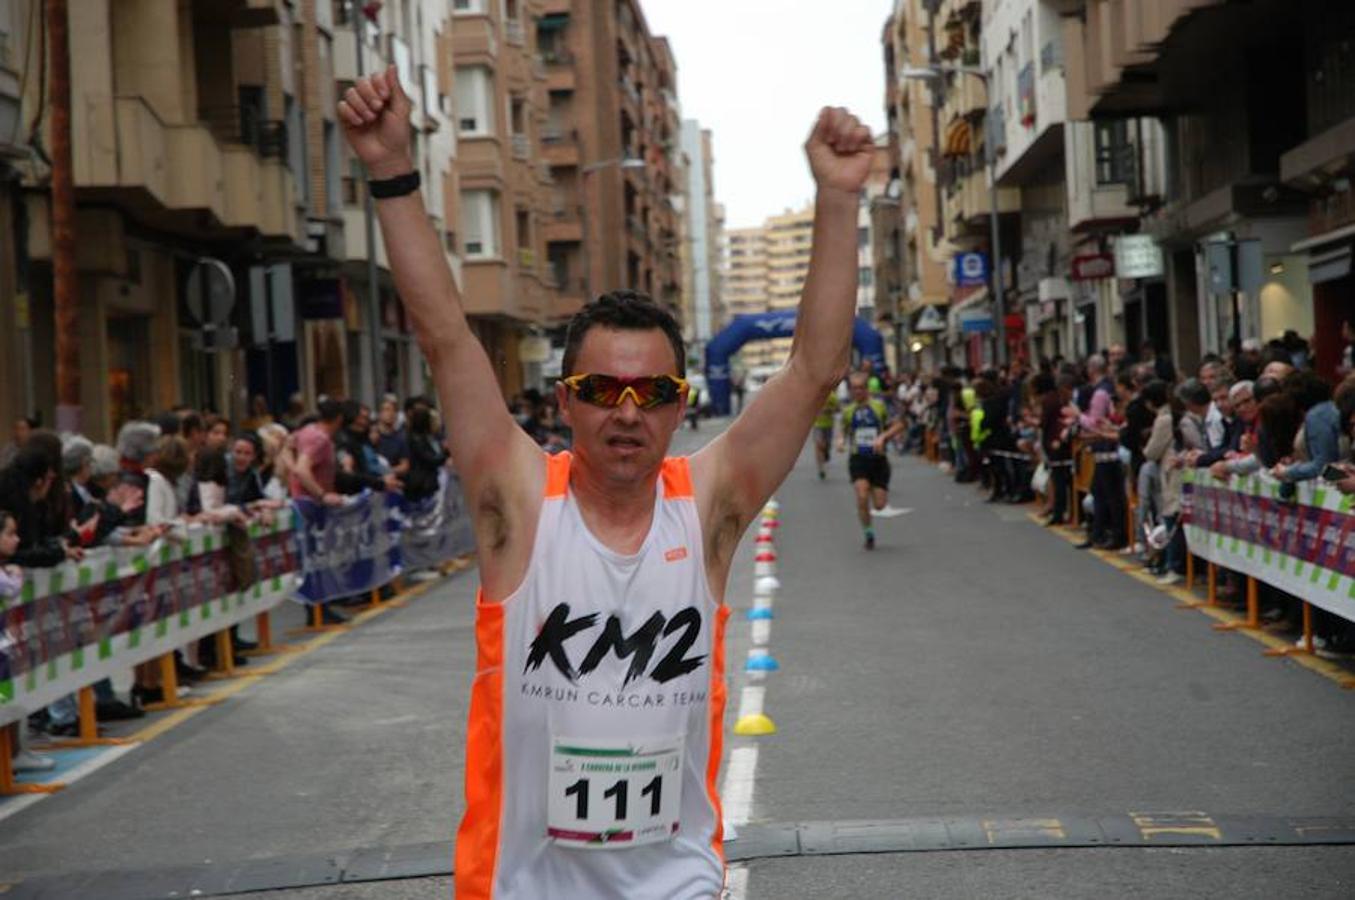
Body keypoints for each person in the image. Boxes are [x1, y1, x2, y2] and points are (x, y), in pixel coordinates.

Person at [340, 64, 872, 899]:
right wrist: (389, 170)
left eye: (652, 393)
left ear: (677, 406)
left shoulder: (706, 508)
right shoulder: (517, 504)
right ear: (567, 401)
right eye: (602, 392)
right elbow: (447, 337)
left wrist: (838, 199)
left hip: (677, 886)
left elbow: (813, 370)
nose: (627, 413)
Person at [837, 371, 905, 549]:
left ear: (867, 389)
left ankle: (875, 506)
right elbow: (843, 430)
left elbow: (899, 424)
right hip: (858, 458)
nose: (857, 392)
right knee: (861, 495)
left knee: (880, 505)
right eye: (854, 389)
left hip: (878, 460)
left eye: (861, 388)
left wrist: (883, 437)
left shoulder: (879, 406)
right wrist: (840, 440)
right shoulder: (848, 410)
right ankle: (868, 533)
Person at [812, 389, 840, 479]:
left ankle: (826, 452)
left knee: (826, 445)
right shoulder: (815, 395)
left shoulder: (832, 397)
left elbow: (838, 409)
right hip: (817, 425)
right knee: (819, 444)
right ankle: (821, 469)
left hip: (829, 425)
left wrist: (829, 409)